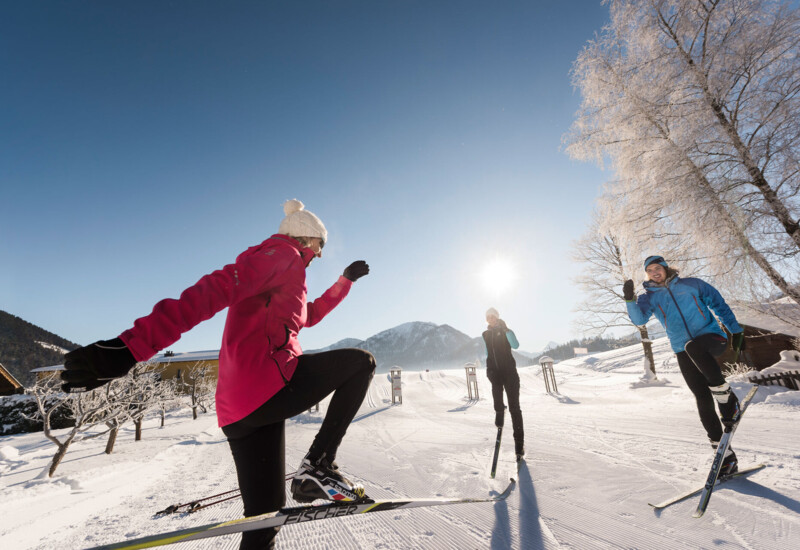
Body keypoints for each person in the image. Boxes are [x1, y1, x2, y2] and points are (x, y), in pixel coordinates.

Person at [61, 199, 376, 549]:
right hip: (267, 384)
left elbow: (308, 315)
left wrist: (344, 282)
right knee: (361, 363)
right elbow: (215, 289)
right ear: (306, 237)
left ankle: (310, 474)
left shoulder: (285, 271)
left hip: (239, 410)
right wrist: (132, 346)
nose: (320, 254)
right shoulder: (282, 255)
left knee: (265, 518)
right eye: (320, 245)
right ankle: (318, 464)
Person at [623, 255, 746, 475]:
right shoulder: (649, 297)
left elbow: (718, 303)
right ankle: (725, 457)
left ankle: (728, 400)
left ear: (665, 268)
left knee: (694, 347)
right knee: (701, 396)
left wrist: (735, 329)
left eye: (657, 268)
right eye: (649, 270)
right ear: (647, 274)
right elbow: (639, 320)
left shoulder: (691, 284)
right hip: (683, 349)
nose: (654, 272)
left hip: (712, 338)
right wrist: (630, 300)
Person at [482, 307, 525, 460]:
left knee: (515, 409)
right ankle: (499, 412)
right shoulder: (485, 334)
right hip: (496, 374)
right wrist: (489, 370)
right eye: (488, 317)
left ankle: (519, 446)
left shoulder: (506, 331)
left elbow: (516, 345)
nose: (491, 319)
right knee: (496, 397)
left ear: (497, 317)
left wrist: (507, 331)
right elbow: (488, 354)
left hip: (510, 375)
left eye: (493, 316)